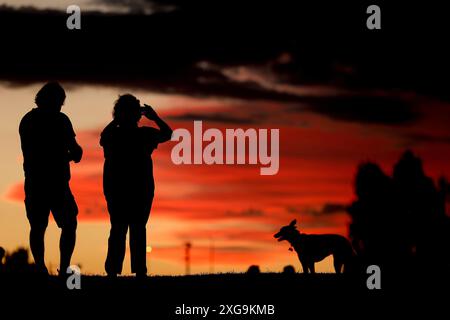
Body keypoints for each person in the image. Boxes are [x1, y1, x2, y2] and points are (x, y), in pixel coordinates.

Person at [100, 94, 172, 279]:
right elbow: (167, 133)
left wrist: (116, 120)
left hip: (122, 188)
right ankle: (137, 270)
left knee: (119, 228)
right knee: (134, 228)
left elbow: (104, 137)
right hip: (136, 188)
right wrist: (154, 117)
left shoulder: (116, 134)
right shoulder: (144, 135)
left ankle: (115, 270)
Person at [19, 82, 82, 275]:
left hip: (45, 182)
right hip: (49, 182)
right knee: (52, 225)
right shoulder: (55, 120)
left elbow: (74, 149)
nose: (59, 106)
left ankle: (51, 267)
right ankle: (51, 267)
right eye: (58, 102)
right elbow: (73, 151)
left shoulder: (30, 120)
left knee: (44, 226)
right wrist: (69, 155)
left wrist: (71, 153)